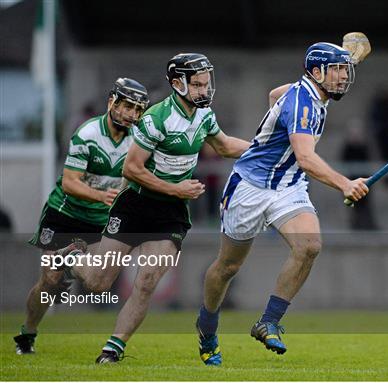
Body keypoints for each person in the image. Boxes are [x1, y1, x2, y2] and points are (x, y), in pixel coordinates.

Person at [59, 53, 250, 364]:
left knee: (147, 280)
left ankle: (113, 348)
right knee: (97, 281)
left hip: (170, 214)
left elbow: (225, 146)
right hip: (135, 205)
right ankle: (73, 257)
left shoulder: (204, 115)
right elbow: (132, 169)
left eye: (206, 84)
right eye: (198, 85)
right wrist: (176, 188)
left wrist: (265, 146)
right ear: (177, 84)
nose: (205, 90)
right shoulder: (155, 118)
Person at [196, 42, 369, 365]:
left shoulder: (309, 90)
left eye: (346, 71)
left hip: (287, 187)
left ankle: (269, 321)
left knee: (309, 246)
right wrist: (345, 183)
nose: (344, 78)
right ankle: (206, 326)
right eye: (338, 71)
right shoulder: (304, 103)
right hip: (249, 187)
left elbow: (275, 94)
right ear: (316, 73)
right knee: (228, 267)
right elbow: (305, 157)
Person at [14, 78, 149, 355]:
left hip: (100, 220)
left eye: (137, 110)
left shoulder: (138, 141)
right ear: (112, 101)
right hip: (65, 214)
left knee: (98, 284)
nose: (131, 114)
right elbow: (70, 183)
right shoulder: (87, 133)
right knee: (50, 282)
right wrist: (101, 196)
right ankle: (28, 332)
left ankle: (71, 258)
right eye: (127, 106)